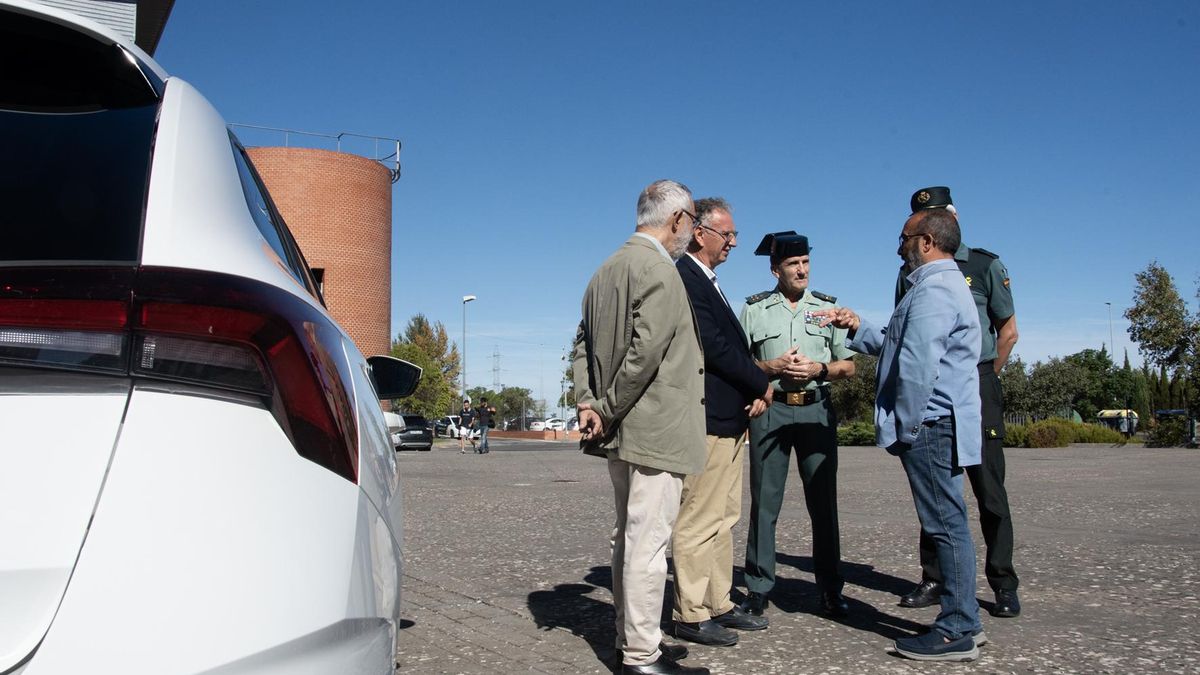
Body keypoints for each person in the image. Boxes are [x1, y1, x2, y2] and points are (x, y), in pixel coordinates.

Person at [815, 207, 984, 661]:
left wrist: (903, 427)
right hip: (938, 420)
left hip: (929, 423)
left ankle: (956, 629)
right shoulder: (941, 287)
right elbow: (898, 340)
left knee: (945, 527)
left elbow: (916, 365)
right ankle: (965, 618)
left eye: (905, 237)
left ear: (927, 241)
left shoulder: (933, 291)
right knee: (951, 524)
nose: (899, 246)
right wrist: (856, 327)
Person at [572, 179, 709, 675]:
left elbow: (581, 346)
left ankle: (634, 638)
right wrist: (605, 406)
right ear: (676, 220)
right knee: (647, 544)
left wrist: (590, 403)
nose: (691, 234)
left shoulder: (604, 270)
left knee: (628, 539)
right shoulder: (660, 270)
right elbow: (646, 354)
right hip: (654, 428)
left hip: (620, 434)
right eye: (692, 223)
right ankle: (641, 658)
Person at [896, 186, 1022, 619]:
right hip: (936, 391)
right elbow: (906, 336)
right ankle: (935, 578)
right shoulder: (912, 270)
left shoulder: (984, 264)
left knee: (988, 489)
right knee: (936, 489)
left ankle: (1002, 581)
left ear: (949, 219)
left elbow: (1007, 331)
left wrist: (977, 379)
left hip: (976, 383)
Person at [737, 232, 856, 619]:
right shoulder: (754, 310)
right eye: (793, 264)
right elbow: (738, 364)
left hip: (815, 411)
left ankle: (830, 588)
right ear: (776, 269)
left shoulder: (828, 309)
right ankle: (757, 587)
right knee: (764, 502)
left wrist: (819, 369)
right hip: (770, 412)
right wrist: (767, 369)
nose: (802, 270)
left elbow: (849, 365)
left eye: (806, 262)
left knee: (823, 505)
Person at [670, 198, 772, 647]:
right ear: (699, 232)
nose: (732, 242)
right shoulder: (686, 278)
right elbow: (711, 344)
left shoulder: (709, 281)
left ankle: (719, 602)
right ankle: (690, 613)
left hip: (730, 420)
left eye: (734, 235)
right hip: (706, 417)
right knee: (698, 518)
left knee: (724, 515)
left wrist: (751, 390)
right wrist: (761, 379)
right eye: (727, 234)